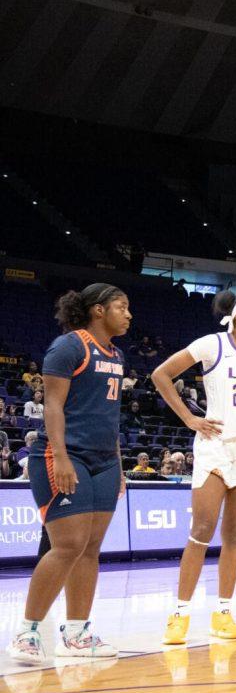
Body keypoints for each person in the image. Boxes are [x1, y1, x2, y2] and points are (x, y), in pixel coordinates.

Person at [152, 290, 236, 645]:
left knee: (233, 536)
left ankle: (223, 613)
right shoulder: (212, 345)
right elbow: (161, 375)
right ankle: (179, 614)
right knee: (202, 529)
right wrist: (189, 418)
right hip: (215, 446)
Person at [6, 284, 131, 664]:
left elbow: (110, 417)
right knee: (68, 545)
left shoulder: (117, 353)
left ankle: (77, 632)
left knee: (91, 548)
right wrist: (59, 456)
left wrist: (119, 466)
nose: (128, 315)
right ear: (98, 310)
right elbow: (53, 406)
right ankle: (27, 632)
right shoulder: (69, 347)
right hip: (64, 453)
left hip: (105, 460)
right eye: (121, 307)